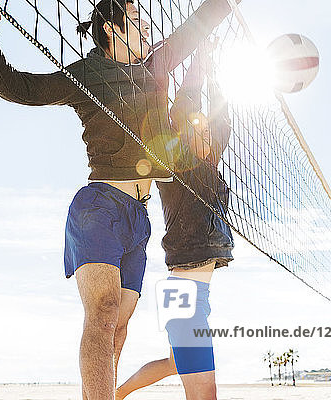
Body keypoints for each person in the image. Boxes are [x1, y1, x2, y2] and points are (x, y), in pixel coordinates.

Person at [0, 1, 236, 398]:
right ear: (111, 28)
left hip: (138, 220)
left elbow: (200, 23)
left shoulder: (155, 66)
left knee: (119, 325)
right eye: (138, 21)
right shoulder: (87, 75)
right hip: (100, 206)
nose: (147, 28)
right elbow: (20, 88)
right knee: (104, 313)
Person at [116, 41, 234, 400]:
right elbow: (188, 100)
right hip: (184, 292)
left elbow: (222, 115)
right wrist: (199, 54)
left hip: (187, 292)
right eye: (196, 127)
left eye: (207, 130)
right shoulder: (177, 166)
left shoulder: (210, 163)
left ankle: (114, 395)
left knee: (174, 364)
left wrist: (213, 69)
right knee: (203, 390)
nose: (205, 131)